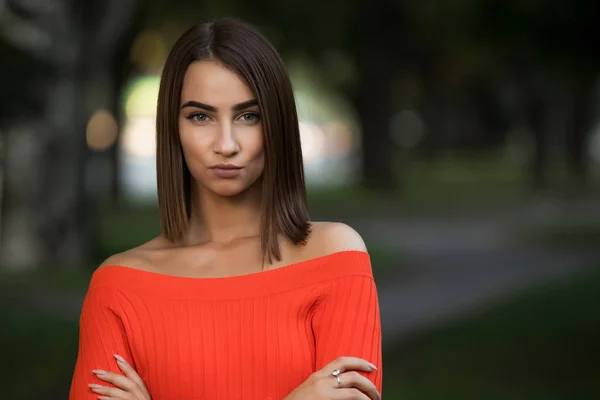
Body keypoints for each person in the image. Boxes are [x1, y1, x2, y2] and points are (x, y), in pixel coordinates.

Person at [69, 16, 382, 400]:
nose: (226, 143)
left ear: (277, 124)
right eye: (200, 116)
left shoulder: (336, 258)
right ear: (174, 127)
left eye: (248, 116)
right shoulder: (118, 288)